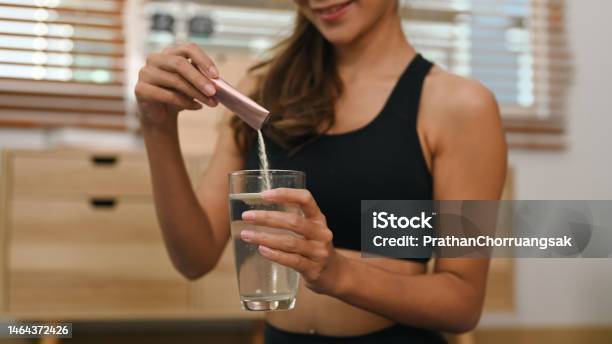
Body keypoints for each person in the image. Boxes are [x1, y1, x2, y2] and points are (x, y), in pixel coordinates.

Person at [135, 0, 507, 343]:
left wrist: (337, 273)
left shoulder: (459, 107)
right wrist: (157, 126)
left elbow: (462, 302)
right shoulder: (261, 92)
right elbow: (194, 259)